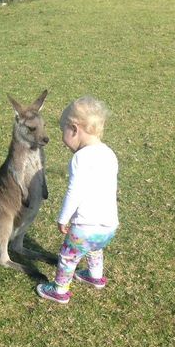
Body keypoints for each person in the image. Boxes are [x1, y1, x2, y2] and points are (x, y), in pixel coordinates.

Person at [36, 96, 119, 304]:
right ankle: (95, 277)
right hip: (109, 226)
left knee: (68, 256)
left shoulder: (80, 158)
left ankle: (59, 290)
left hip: (85, 227)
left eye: (63, 131)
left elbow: (75, 192)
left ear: (74, 129)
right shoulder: (109, 153)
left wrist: (63, 218)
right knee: (94, 248)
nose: (63, 139)